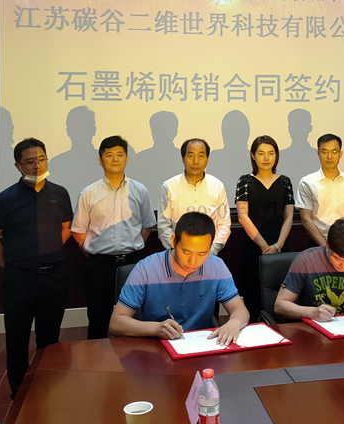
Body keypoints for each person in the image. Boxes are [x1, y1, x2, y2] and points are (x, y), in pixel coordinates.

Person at [0, 138, 73, 399]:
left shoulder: (60, 193)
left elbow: (65, 229)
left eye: (41, 159)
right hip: (19, 280)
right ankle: (20, 395)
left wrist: (47, 252)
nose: (37, 166)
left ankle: (49, 387)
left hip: (54, 276)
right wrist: (14, 264)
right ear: (18, 166)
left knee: (50, 339)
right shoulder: (5, 199)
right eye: (30, 162)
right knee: (17, 339)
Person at [109, 212, 250, 345]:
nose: (193, 261)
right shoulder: (146, 269)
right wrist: (156, 328)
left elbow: (240, 310)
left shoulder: (217, 267)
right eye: (186, 252)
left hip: (202, 344)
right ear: (174, 241)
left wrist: (234, 322)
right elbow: (116, 323)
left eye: (202, 253)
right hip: (156, 346)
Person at [70, 135, 156, 339]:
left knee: (135, 317)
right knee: (98, 318)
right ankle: (98, 357)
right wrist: (94, 252)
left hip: (132, 263)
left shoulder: (140, 190)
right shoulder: (88, 193)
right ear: (100, 161)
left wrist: (135, 245)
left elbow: (147, 225)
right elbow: (78, 231)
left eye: (120, 154)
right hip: (100, 266)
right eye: (109, 155)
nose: (115, 159)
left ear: (127, 159)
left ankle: (135, 357)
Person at [274, 218, 344, 322]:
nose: (343, 266)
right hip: (310, 327)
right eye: (337, 259)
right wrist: (312, 312)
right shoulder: (305, 261)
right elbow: (280, 305)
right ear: (327, 244)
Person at [235, 135, 294, 316]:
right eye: (261, 153)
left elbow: (289, 217)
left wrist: (278, 246)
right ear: (253, 156)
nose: (266, 158)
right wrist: (264, 247)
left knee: (281, 292)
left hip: (280, 245)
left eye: (271, 153)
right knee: (253, 292)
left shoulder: (285, 181)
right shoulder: (244, 181)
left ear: (276, 155)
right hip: (254, 245)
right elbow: (243, 216)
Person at [158, 138, 231, 255]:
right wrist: (178, 249)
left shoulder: (217, 186)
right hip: (178, 256)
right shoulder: (169, 186)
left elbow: (224, 224)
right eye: (191, 156)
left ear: (207, 159)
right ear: (183, 158)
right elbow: (163, 225)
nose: (196, 161)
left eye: (201, 156)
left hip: (210, 255)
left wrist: (211, 250)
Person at [295, 133, 344, 246]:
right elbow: (306, 219)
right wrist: (325, 246)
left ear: (340, 154)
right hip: (317, 242)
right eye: (325, 152)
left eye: (334, 151)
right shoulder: (307, 182)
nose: (329, 156)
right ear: (318, 153)